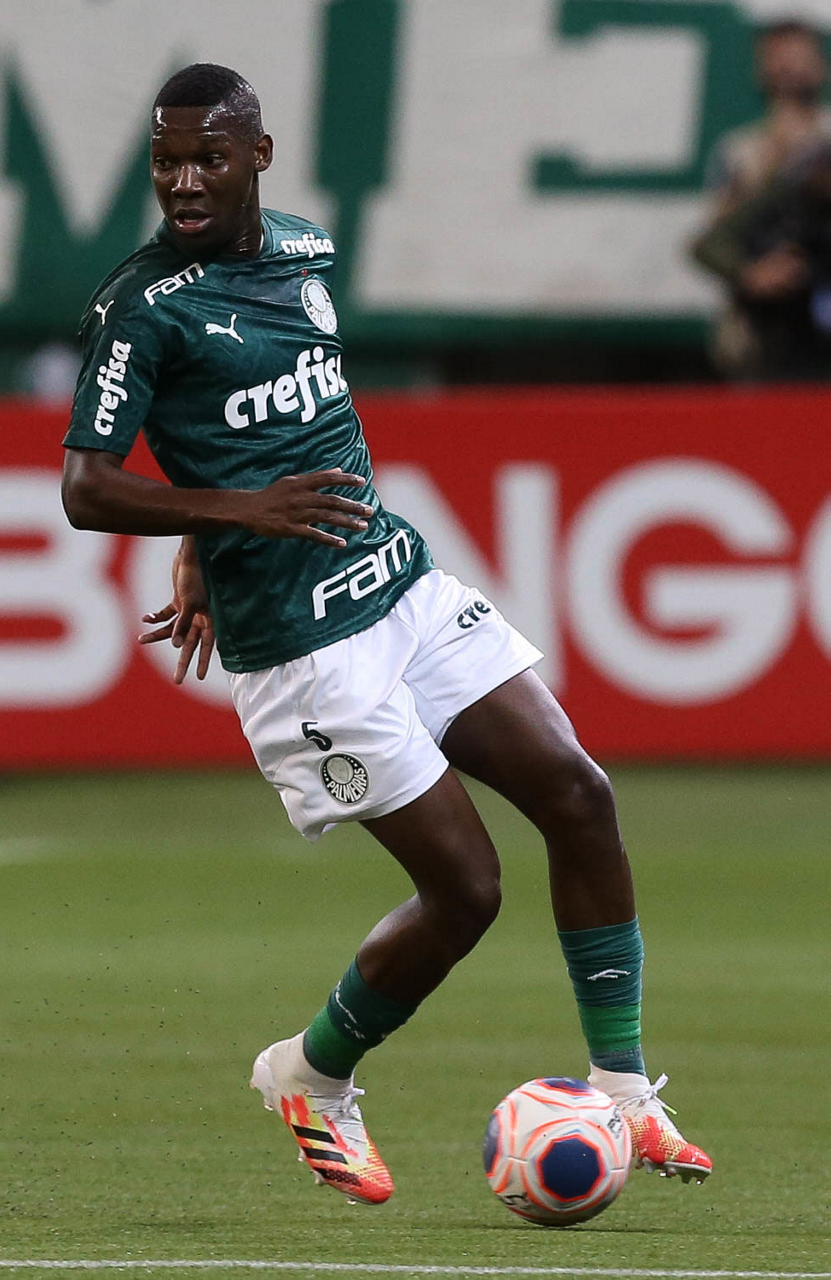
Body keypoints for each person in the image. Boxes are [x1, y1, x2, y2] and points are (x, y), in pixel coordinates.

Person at [61, 63, 712, 1206]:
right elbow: (86, 486)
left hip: (400, 584)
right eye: (166, 162)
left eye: (209, 158)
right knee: (467, 889)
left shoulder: (304, 251)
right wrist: (230, 520)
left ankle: (622, 1089)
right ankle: (312, 1073)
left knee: (579, 792)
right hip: (304, 653)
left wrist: (200, 540)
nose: (184, 181)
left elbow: (255, 421)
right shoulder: (141, 307)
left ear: (259, 157)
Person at [694, 19, 831, 377]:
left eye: (798, 58)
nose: (789, 70)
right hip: (766, 326)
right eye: (778, 60)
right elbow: (713, 237)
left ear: (820, 65)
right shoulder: (740, 149)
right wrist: (750, 272)